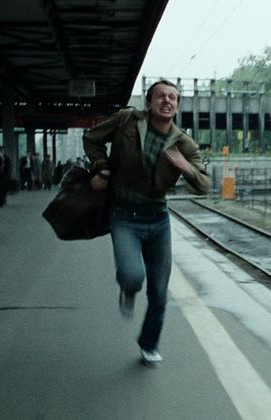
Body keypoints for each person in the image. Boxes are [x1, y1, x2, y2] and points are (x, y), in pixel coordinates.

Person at [83, 79, 211, 367]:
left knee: (159, 291)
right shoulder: (127, 120)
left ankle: (149, 344)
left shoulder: (183, 143)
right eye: (161, 96)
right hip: (124, 216)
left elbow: (204, 185)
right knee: (132, 276)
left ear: (177, 106)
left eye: (172, 98)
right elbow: (92, 138)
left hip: (158, 220)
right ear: (150, 101)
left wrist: (185, 167)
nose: (167, 101)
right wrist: (102, 168)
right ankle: (128, 290)